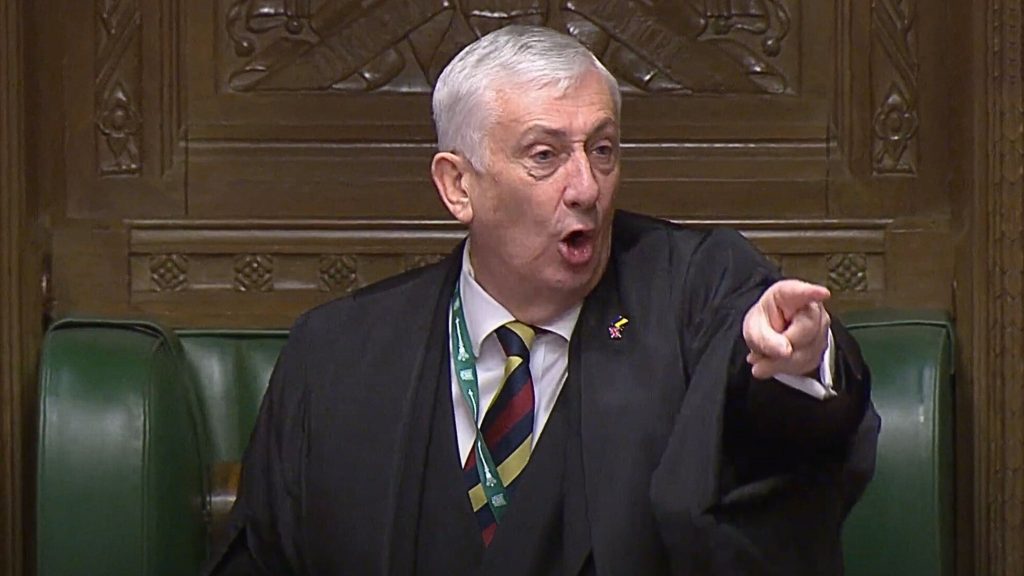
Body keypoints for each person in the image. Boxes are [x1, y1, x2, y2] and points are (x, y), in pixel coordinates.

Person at [204, 25, 879, 576]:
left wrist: (801, 354)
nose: (587, 186)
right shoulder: (337, 355)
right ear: (457, 186)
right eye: (545, 155)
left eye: (603, 150)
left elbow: (782, 425)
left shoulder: (695, 286)